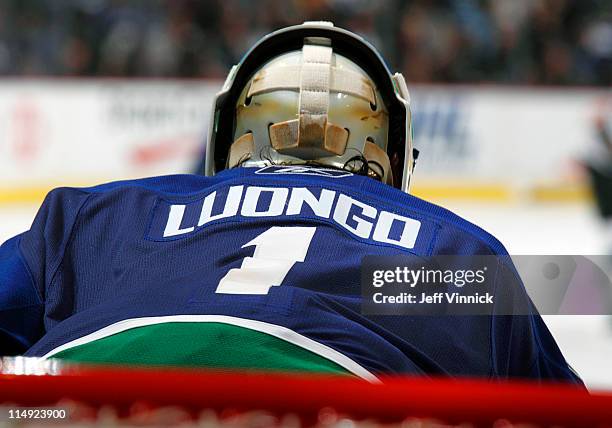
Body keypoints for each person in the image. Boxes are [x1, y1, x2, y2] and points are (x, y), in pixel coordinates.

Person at [0, 22, 581, 384]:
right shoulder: (445, 257)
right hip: (335, 400)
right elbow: (555, 400)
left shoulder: (100, 215)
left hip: (83, 392)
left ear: (229, 134)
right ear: (393, 155)